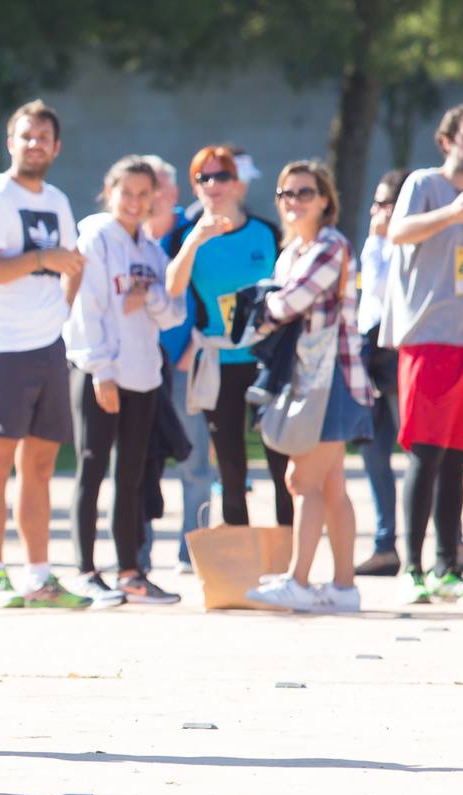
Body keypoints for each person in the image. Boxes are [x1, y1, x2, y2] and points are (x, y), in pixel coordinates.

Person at [0, 100, 86, 608]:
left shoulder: (57, 199)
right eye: (25, 136)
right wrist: (40, 259)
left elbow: (73, 265)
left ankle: (40, 575)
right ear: (11, 142)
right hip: (1, 348)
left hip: (49, 346)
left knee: (40, 466)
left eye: (43, 137)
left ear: (57, 147)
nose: (34, 144)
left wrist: (64, 307)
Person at [243, 160, 374, 612]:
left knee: (302, 480)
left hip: (331, 376)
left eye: (304, 192)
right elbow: (280, 303)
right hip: (312, 377)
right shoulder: (294, 249)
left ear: (324, 200)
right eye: (285, 194)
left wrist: (259, 305)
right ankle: (342, 588)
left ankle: (299, 581)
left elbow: (288, 302)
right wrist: (268, 304)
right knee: (332, 485)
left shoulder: (328, 246)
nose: (293, 201)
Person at [385, 100, 463, 606]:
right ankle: (410, 569)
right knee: (424, 454)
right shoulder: (424, 185)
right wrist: (452, 212)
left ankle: (446, 567)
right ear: (448, 139)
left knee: (456, 459)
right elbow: (398, 232)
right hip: (429, 335)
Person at [67, 156, 184, 604]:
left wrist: (149, 294)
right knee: (92, 469)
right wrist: (101, 371)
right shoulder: (96, 237)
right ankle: (84, 570)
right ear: (109, 191)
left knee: (132, 476)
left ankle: (131, 572)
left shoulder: (151, 249)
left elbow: (173, 312)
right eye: (126, 193)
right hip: (101, 372)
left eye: (143, 194)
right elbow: (88, 308)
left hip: (143, 375)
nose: (134, 202)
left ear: (154, 197)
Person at [164, 146, 290, 534]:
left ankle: (291, 562)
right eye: (203, 178)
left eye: (222, 177)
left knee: (281, 460)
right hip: (218, 364)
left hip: (266, 360)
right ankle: (241, 564)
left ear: (238, 183)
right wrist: (193, 242)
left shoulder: (267, 233)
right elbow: (173, 288)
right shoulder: (185, 236)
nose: (213, 186)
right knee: (231, 466)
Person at [140, 153, 210, 575]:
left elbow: (211, 296)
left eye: (159, 187)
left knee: (195, 464)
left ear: (173, 192)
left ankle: (193, 553)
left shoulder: (193, 233)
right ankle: (136, 555)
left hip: (185, 366)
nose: (152, 196)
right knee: (136, 464)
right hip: (140, 370)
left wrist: (192, 349)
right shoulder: (125, 235)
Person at [354, 169, 409, 576]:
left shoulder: (401, 247)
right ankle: (384, 543)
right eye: (376, 203)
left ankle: (446, 540)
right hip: (370, 354)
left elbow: (379, 288)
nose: (379, 211)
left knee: (418, 451)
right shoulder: (375, 245)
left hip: (400, 355)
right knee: (373, 453)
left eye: (387, 203)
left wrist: (377, 240)